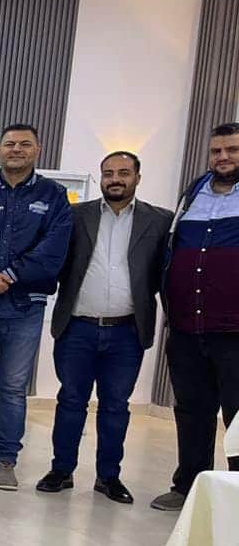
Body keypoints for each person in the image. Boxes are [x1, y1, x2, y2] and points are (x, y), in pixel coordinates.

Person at [37, 152, 171, 505]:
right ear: (100, 178)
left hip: (126, 331)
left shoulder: (159, 221)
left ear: (137, 177)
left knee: (115, 406)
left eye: (124, 172)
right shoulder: (75, 215)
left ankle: (108, 477)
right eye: (108, 173)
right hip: (77, 328)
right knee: (70, 401)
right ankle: (61, 470)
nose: (116, 179)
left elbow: (164, 274)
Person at [0, 123, 72, 490]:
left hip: (25, 309)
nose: (16, 149)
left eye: (24, 144)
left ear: (37, 150)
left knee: (14, 387)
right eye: (9, 144)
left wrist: (6, 276)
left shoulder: (54, 196)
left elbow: (53, 250)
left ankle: (6, 460)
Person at [153, 122, 239, 512]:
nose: (223, 157)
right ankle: (189, 486)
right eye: (216, 150)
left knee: (238, 419)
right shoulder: (193, 194)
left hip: (234, 332)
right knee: (191, 411)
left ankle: (234, 495)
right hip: (187, 328)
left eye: (232, 150)